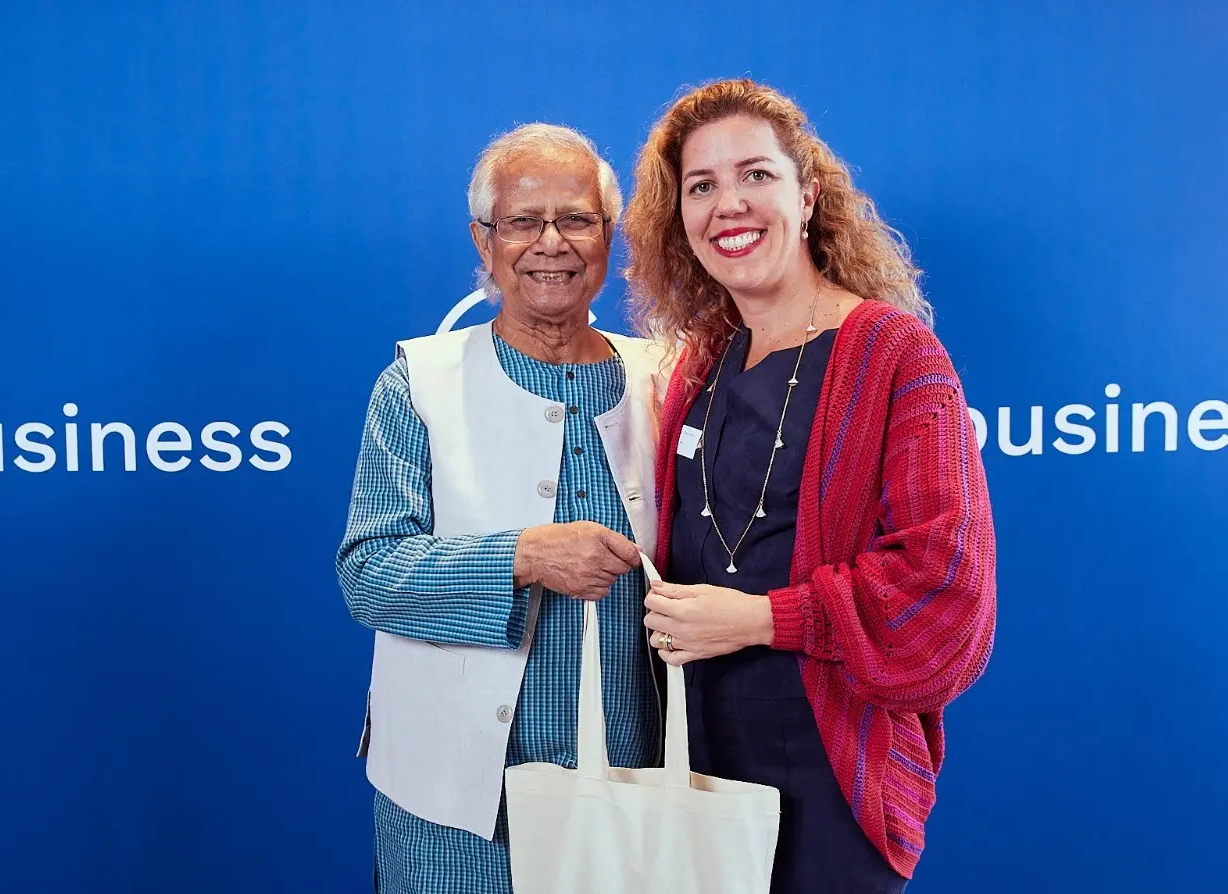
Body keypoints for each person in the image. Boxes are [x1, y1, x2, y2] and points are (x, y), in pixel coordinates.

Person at [621, 79, 997, 893]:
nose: (730, 204)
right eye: (701, 185)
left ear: (808, 196)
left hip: (831, 774)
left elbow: (943, 587)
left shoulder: (895, 355)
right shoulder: (699, 365)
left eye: (756, 175)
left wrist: (761, 619)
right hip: (697, 762)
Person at [336, 123, 665, 894]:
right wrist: (522, 556)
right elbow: (369, 574)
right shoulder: (417, 383)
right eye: (522, 222)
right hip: (455, 806)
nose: (550, 243)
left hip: (640, 785)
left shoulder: (670, 377)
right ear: (484, 243)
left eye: (576, 219)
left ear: (608, 238)